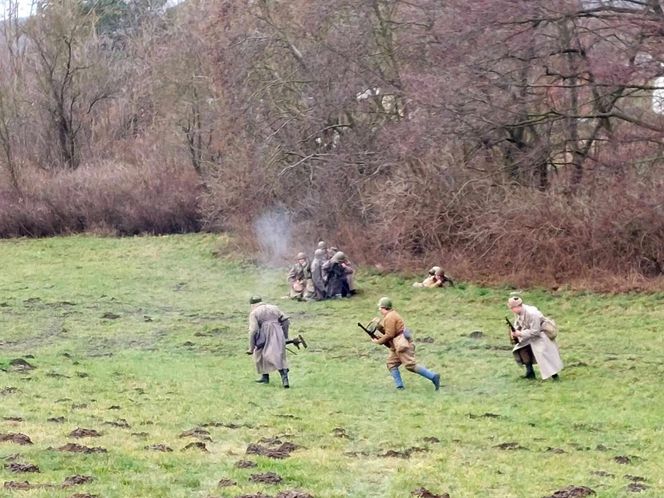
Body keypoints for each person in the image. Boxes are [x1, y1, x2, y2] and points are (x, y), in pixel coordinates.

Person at [371, 297, 440, 391]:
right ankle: (399, 387)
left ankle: (433, 376)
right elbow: (391, 332)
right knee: (391, 363)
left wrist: (378, 341)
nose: (379, 309)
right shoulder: (391, 315)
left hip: (402, 344)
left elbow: (389, 335)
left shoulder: (390, 317)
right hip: (398, 344)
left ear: (383, 307)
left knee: (410, 365)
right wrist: (379, 326)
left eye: (380, 307)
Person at [507, 296, 563, 380]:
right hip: (530, 333)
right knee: (521, 348)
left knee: (543, 354)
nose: (512, 310)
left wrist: (520, 333)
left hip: (542, 334)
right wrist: (514, 331)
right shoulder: (519, 312)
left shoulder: (532, 314)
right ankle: (530, 373)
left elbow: (535, 331)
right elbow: (518, 323)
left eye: (512, 308)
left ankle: (555, 376)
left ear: (518, 306)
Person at [247, 296, 291, 388]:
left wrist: (251, 347)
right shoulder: (274, 308)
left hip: (264, 333)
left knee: (272, 355)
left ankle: (285, 379)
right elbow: (285, 320)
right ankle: (265, 376)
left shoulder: (254, 312)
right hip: (278, 332)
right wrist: (285, 336)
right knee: (264, 353)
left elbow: (253, 330)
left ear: (252, 304)